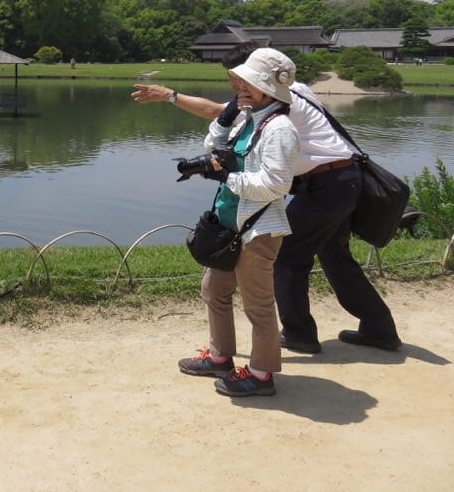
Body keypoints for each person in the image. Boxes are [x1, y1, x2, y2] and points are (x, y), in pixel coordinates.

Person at [132, 45, 401, 354]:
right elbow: (223, 124)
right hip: (341, 179)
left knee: (286, 255)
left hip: (324, 184)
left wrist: (171, 96)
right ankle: (379, 327)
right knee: (335, 256)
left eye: (240, 78)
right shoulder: (293, 90)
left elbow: (216, 115)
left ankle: (300, 333)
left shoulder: (276, 108)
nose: (236, 85)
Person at [177, 48, 300, 397]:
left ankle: (261, 375)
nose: (239, 87)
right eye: (239, 83)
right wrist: (225, 117)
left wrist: (227, 178)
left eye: (247, 82)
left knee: (258, 305)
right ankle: (220, 356)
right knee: (214, 289)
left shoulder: (279, 129)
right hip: (231, 225)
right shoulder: (250, 119)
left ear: (267, 87)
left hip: (258, 230)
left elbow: (277, 185)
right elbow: (214, 146)